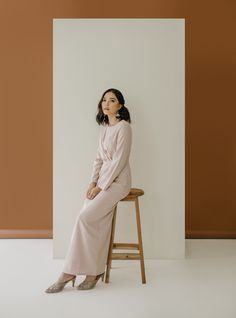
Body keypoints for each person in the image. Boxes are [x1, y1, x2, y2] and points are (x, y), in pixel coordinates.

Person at [45, 88, 132, 292]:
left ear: (120, 105)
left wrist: (101, 187)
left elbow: (119, 161)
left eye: (112, 100)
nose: (107, 103)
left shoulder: (124, 128)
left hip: (118, 183)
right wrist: (92, 183)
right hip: (102, 181)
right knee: (91, 219)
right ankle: (92, 271)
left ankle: (69, 272)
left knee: (85, 217)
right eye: (104, 100)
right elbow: (99, 159)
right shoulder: (104, 128)